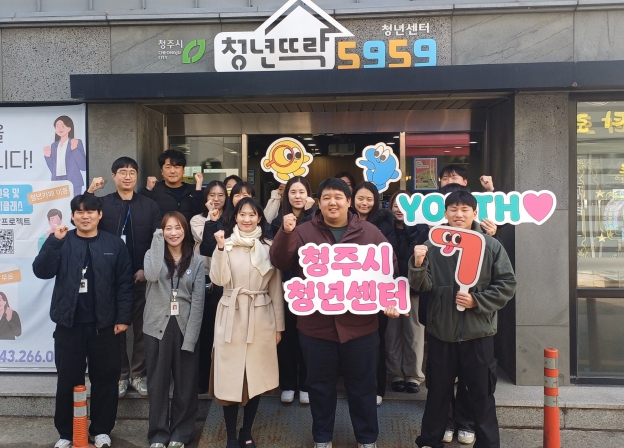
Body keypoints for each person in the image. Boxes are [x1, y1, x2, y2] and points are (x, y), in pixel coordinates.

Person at [270, 177, 401, 448]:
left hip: (361, 327)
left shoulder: (370, 232)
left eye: (338, 197)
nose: (333, 202)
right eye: (326, 197)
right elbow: (280, 261)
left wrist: (391, 300)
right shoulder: (303, 231)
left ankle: (367, 439)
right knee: (320, 388)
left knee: (363, 388)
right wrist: (285, 232)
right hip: (316, 328)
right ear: (318, 202)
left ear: (348, 201)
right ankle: (322, 438)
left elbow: (390, 269)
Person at [409, 191, 516, 448]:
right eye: (453, 209)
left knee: (482, 394)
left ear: (475, 213)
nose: (459, 214)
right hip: (441, 333)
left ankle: (488, 444)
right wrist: (418, 263)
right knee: (437, 393)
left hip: (478, 333)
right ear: (445, 213)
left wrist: (477, 301)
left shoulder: (490, 245)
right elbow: (421, 286)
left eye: (465, 209)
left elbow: (507, 284)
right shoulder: (433, 244)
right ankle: (430, 440)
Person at [32, 194, 134, 448]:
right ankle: (66, 433)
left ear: (100, 215)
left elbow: (124, 283)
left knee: (106, 380)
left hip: (105, 326)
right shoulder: (62, 241)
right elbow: (41, 271)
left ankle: (101, 430)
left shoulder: (113, 244)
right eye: (79, 212)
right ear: (72, 216)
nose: (85, 216)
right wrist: (54, 242)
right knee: (68, 379)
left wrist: (123, 317)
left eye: (90, 212)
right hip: (69, 325)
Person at [85, 157, 162, 399]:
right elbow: (84, 220)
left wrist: (146, 269)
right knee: (114, 329)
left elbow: (157, 241)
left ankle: (138, 375)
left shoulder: (149, 205)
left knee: (141, 328)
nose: (127, 176)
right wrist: (90, 191)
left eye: (131, 172)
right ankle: (120, 375)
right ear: (113, 176)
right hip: (110, 279)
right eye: (122, 172)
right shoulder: (103, 204)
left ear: (137, 176)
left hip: (141, 277)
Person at [210, 197, 284, 448]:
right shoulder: (226, 244)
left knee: (256, 377)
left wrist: (279, 326)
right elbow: (218, 280)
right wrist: (220, 249)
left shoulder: (269, 247)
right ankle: (231, 436)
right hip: (230, 314)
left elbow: (275, 289)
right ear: (235, 217)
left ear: (260, 218)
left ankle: (247, 432)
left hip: (261, 317)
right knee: (229, 377)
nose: (247, 219)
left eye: (252, 214)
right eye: (242, 214)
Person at [143, 212, 205, 448]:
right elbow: (151, 275)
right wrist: (157, 240)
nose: (173, 233)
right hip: (156, 327)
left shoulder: (196, 261)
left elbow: (198, 303)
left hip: (184, 327)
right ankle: (158, 435)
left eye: (178, 227)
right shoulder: (152, 255)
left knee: (185, 385)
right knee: (157, 384)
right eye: (168, 228)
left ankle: (181, 433)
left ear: (185, 230)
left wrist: (191, 337)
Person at [351, 181, 398, 406]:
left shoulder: (386, 223)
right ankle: (354, 386)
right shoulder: (344, 221)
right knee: (353, 342)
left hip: (377, 291)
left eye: (369, 199)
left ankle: (378, 388)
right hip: (349, 291)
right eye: (360, 198)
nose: (364, 203)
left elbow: (390, 257)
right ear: (352, 200)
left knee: (376, 340)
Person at [270, 176, 316, 405]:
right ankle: (288, 384)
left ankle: (306, 384)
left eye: (302, 192)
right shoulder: (277, 221)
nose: (298, 196)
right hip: (285, 285)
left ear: (309, 194)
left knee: (308, 337)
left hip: (312, 287)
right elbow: (277, 253)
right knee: (286, 336)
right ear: (286, 195)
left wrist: (310, 213)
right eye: (293, 192)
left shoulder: (317, 218)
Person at [385, 190, 427, 395]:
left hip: (414, 287)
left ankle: (414, 375)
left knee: (414, 332)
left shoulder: (422, 229)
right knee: (392, 333)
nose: (399, 210)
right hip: (389, 288)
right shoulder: (384, 228)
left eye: (404, 206)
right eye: (396, 205)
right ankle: (395, 374)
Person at [190, 180, 230, 394]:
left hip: (227, 279)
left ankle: (222, 380)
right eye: (212, 195)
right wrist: (211, 219)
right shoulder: (197, 219)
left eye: (220, 195)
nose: (216, 199)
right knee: (205, 331)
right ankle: (202, 379)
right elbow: (205, 241)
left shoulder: (232, 219)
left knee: (224, 332)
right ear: (205, 198)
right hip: (204, 277)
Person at [141, 149, 204, 226]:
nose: (172, 171)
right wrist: (147, 189)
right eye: (168, 167)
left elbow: (201, 213)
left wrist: (198, 187)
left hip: (188, 234)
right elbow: (142, 213)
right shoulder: (154, 190)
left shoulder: (193, 191)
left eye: (177, 167)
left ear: (184, 170)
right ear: (161, 171)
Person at [43, 115, 86, 196]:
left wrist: (74, 149)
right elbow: (53, 169)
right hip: (57, 181)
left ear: (69, 128)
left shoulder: (76, 142)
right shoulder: (54, 146)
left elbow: (83, 166)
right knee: (59, 204)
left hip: (73, 181)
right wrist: (48, 157)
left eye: (63, 126)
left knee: (74, 203)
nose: (60, 128)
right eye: (57, 126)